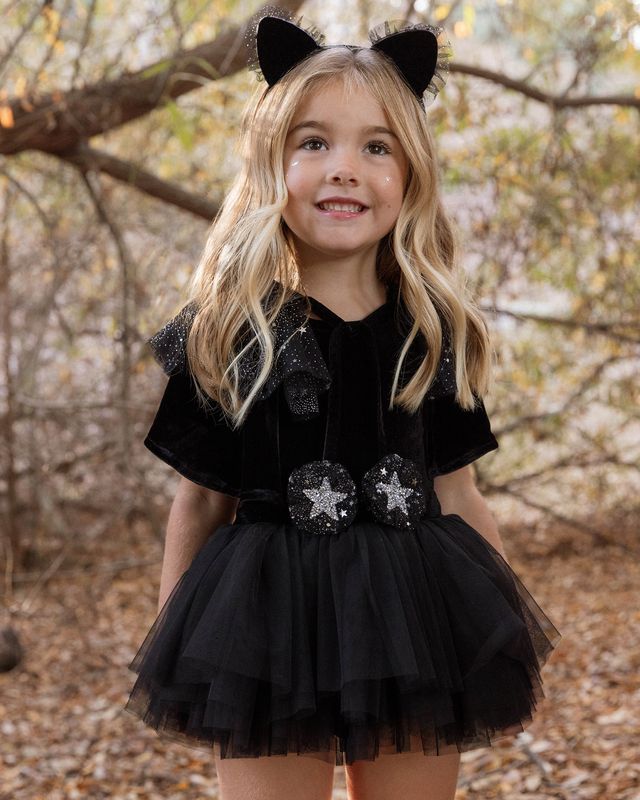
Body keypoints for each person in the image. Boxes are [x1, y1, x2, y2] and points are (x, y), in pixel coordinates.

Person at [124, 12, 561, 800]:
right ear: (272, 164)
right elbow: (197, 504)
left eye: (376, 146)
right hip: (262, 628)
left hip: (413, 621)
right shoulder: (229, 332)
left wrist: (497, 638)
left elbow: (460, 494)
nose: (345, 169)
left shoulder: (432, 332)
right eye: (314, 143)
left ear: (410, 175)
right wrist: (184, 648)